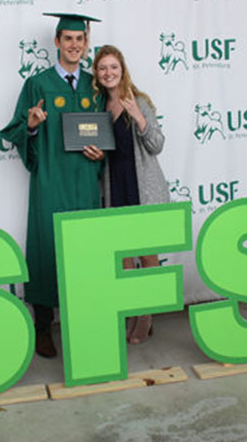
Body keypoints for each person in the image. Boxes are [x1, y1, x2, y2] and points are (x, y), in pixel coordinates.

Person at [0, 13, 104, 358]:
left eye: (80, 39)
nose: (75, 45)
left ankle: (84, 321)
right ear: (57, 42)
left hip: (86, 181)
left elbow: (106, 135)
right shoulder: (38, 84)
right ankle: (42, 326)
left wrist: (100, 152)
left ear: (86, 44)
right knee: (46, 245)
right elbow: (15, 129)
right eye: (68, 38)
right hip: (50, 180)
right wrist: (30, 125)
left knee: (85, 250)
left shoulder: (94, 85)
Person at [92, 44, 170, 344]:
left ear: (122, 69)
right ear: (97, 75)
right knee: (123, 259)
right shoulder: (97, 107)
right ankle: (132, 312)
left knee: (147, 255)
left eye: (113, 67)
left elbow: (157, 144)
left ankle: (145, 318)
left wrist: (140, 118)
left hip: (142, 187)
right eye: (102, 68)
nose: (108, 72)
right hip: (116, 186)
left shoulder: (139, 101)